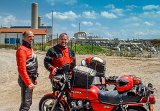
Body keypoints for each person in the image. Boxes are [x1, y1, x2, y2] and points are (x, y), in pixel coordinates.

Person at [16, 30, 38, 111]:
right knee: (26, 104)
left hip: (31, 77)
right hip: (26, 79)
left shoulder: (29, 48)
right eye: (29, 36)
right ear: (24, 37)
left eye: (33, 36)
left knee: (29, 102)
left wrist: (35, 77)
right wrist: (28, 82)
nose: (32, 38)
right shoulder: (22, 49)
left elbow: (34, 63)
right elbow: (21, 69)